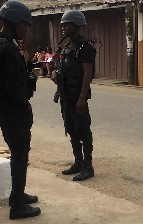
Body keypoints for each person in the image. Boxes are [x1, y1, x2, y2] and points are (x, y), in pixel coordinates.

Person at [0, 0, 41, 220]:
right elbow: (13, 87)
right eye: (24, 25)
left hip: (2, 106)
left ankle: (17, 195)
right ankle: (17, 206)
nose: (26, 30)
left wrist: (28, 70)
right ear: (14, 23)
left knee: (18, 153)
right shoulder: (7, 49)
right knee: (20, 154)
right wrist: (25, 106)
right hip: (12, 108)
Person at [51, 10, 96, 181]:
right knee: (71, 129)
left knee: (83, 130)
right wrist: (56, 74)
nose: (63, 27)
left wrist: (82, 98)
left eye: (67, 24)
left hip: (78, 95)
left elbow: (87, 74)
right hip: (66, 95)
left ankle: (88, 166)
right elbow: (65, 69)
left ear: (77, 25)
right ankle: (78, 162)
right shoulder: (67, 46)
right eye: (63, 24)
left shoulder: (85, 47)